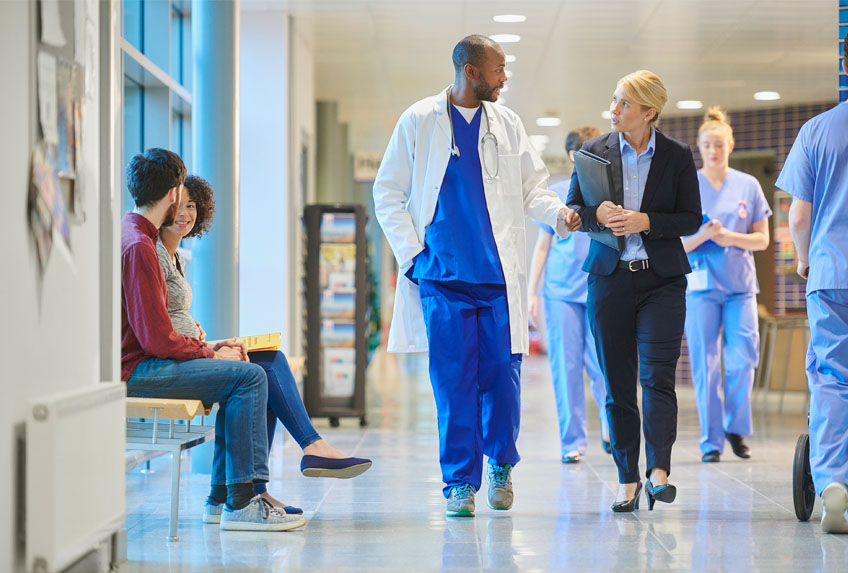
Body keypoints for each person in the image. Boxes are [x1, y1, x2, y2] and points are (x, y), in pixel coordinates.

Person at [373, 34, 580, 517]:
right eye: (498, 69)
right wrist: (414, 259)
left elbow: (533, 189)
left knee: (502, 383)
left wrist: (560, 215)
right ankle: (458, 484)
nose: (504, 77)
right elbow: (388, 193)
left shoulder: (507, 123)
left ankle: (501, 464)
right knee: (453, 385)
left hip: (495, 280)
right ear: (470, 71)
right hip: (441, 280)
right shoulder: (420, 119)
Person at [156, 175, 372, 522]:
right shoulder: (150, 251)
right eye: (179, 206)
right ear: (164, 207)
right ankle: (280, 470)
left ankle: (226, 494)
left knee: (268, 359)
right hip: (169, 363)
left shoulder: (175, 255)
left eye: (193, 206)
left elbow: (170, 317)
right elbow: (156, 330)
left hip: (187, 351)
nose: (186, 214)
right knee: (256, 374)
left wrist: (210, 341)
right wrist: (210, 352)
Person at [121, 148, 304, 531]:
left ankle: (225, 497)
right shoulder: (140, 246)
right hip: (141, 370)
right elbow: (156, 339)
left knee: (257, 364)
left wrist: (211, 348)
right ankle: (242, 502)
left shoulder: (136, 235)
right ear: (173, 193)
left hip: (147, 362)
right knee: (249, 376)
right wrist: (212, 351)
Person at [567, 70, 702, 512]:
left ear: (649, 111)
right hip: (609, 280)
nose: (614, 110)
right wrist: (595, 214)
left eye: (624, 103)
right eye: (613, 100)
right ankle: (628, 477)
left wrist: (647, 222)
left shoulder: (678, 156)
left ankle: (658, 471)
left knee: (657, 377)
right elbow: (573, 211)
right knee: (617, 384)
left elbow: (690, 219)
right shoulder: (592, 152)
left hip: (661, 280)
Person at [777, 28, 848, 535]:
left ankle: (832, 484)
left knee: (833, 377)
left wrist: (806, 261)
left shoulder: (817, 130)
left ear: (847, 68)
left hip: (832, 274)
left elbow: (799, 215)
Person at [681, 107, 772, 464]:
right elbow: (676, 244)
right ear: (699, 148)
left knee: (741, 360)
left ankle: (736, 426)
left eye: (719, 144)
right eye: (706, 145)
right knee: (706, 365)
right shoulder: (689, 187)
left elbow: (761, 240)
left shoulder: (747, 185)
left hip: (740, 288)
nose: (713, 151)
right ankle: (710, 441)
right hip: (700, 289)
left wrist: (728, 235)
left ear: (731, 144)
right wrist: (702, 235)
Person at [527, 125, 610, 464]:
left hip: (600, 290)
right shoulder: (556, 195)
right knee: (566, 367)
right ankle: (572, 442)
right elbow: (543, 246)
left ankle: (611, 428)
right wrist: (531, 292)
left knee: (605, 367)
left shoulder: (608, 193)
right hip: (561, 293)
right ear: (575, 155)